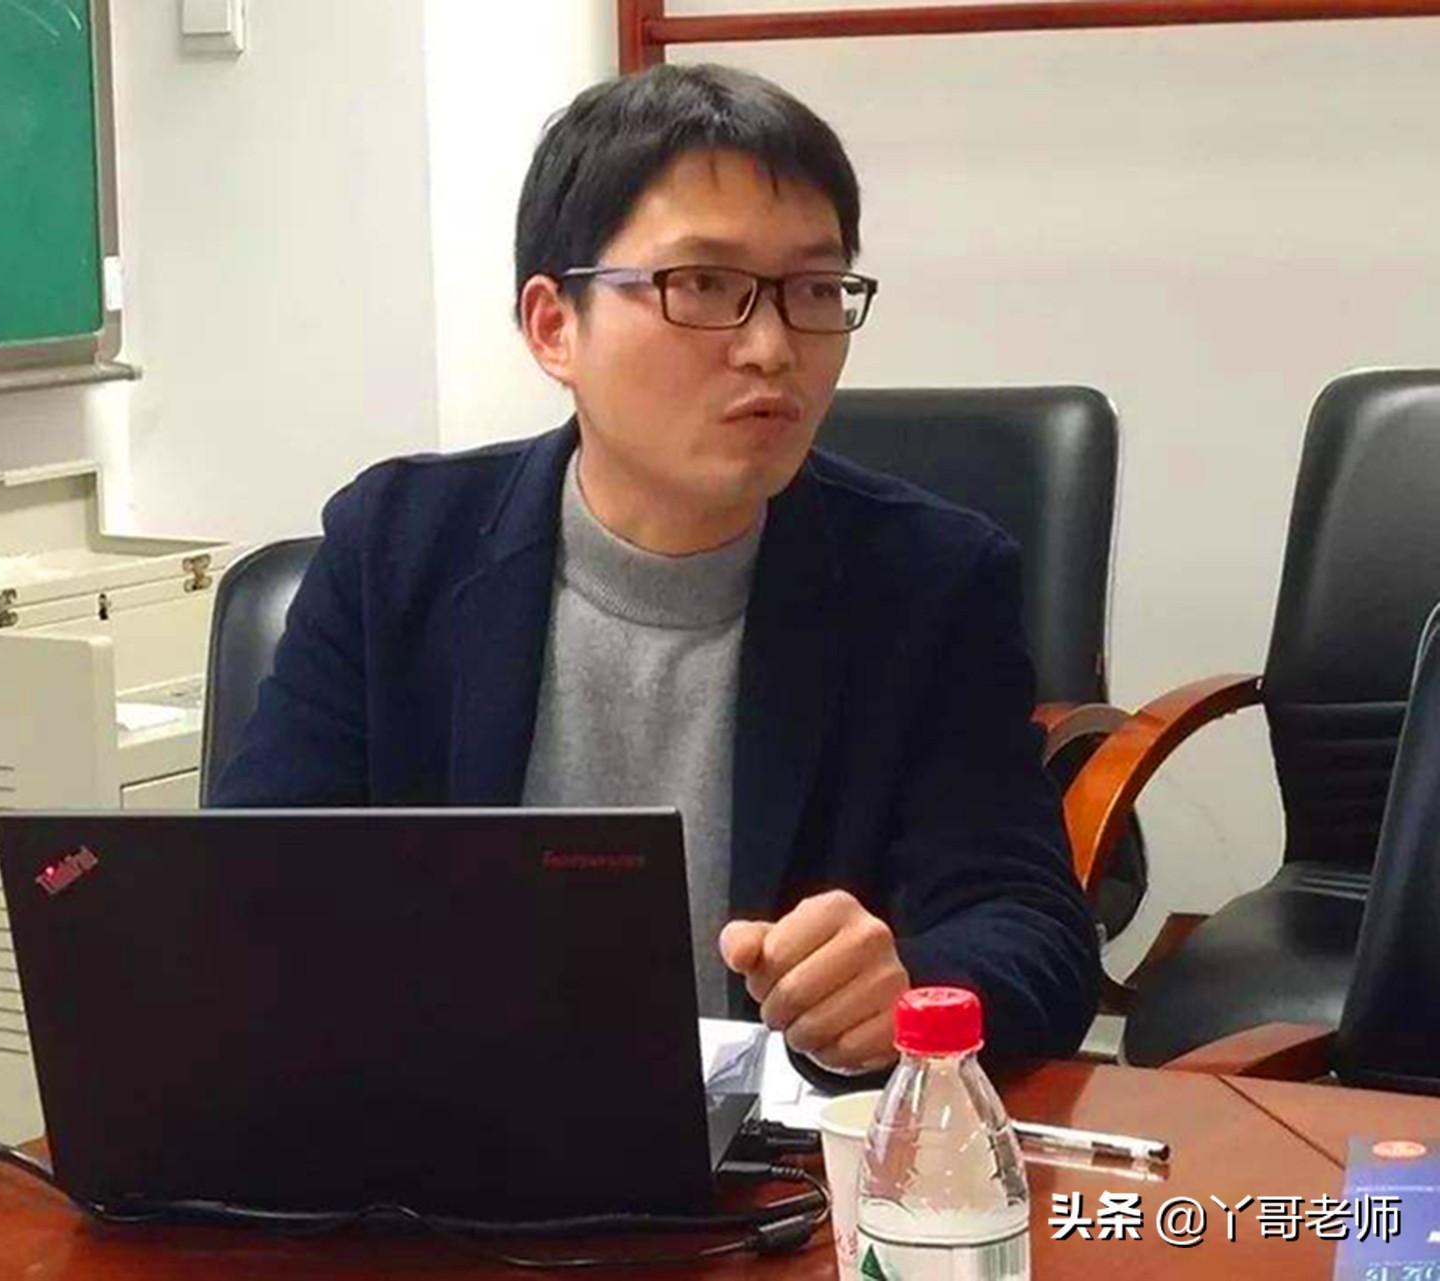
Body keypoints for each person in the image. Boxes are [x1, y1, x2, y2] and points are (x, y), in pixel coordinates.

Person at [211, 63, 1099, 1082]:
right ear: (554, 326)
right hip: (435, 1129)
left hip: (776, 1157)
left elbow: (1033, 932)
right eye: (705, 286)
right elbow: (243, 894)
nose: (771, 348)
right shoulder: (397, 547)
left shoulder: (929, 583)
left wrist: (910, 988)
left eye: (815, 291)